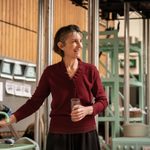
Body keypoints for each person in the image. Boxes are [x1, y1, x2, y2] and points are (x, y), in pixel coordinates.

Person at [0, 24, 108, 150]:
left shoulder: (91, 70)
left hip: (86, 135)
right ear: (61, 46)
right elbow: (34, 102)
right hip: (58, 136)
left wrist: (88, 110)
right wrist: (9, 120)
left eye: (80, 41)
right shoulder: (50, 72)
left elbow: (103, 101)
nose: (80, 45)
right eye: (74, 41)